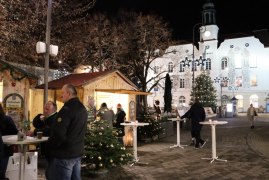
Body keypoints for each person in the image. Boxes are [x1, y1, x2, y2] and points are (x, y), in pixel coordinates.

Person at [46, 84, 88, 180]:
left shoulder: (67, 110)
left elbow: (59, 134)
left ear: (68, 93)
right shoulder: (82, 109)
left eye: (63, 93)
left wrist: (51, 145)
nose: (61, 96)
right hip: (77, 153)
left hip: (64, 155)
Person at [0, 103, 18, 180]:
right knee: (2, 172)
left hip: (4, 149)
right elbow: (15, 132)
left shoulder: (6, 119)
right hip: (5, 148)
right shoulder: (6, 119)